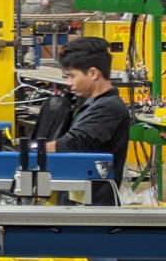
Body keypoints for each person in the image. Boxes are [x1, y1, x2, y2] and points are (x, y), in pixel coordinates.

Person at [45, 37, 129, 206]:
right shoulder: (93, 103)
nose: (68, 83)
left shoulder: (108, 108)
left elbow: (72, 144)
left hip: (94, 207)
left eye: (72, 76)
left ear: (93, 73)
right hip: (81, 201)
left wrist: (29, 150)